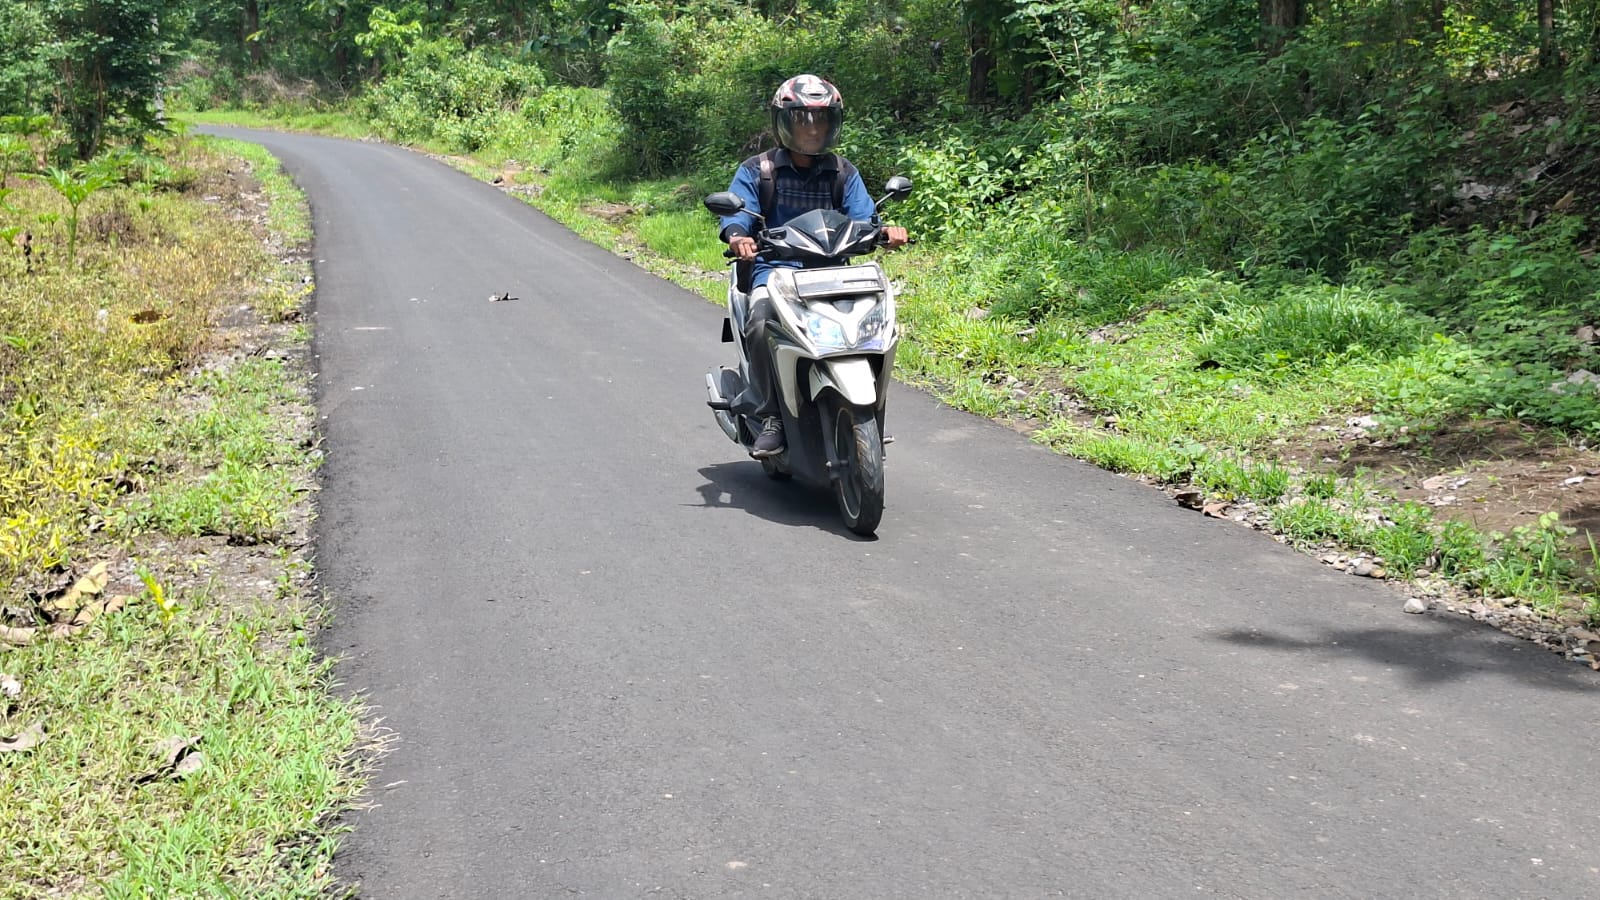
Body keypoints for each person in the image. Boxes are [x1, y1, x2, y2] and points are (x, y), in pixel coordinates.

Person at [717, 73, 909, 458]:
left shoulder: (843, 172)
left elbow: (865, 217)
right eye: (803, 120)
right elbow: (736, 213)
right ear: (783, 124)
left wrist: (886, 232)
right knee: (760, 322)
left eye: (820, 120)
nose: (812, 129)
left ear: (832, 124)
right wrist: (739, 235)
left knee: (880, 325)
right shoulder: (759, 171)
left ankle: (868, 406)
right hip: (776, 271)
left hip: (834, 272)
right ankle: (770, 413)